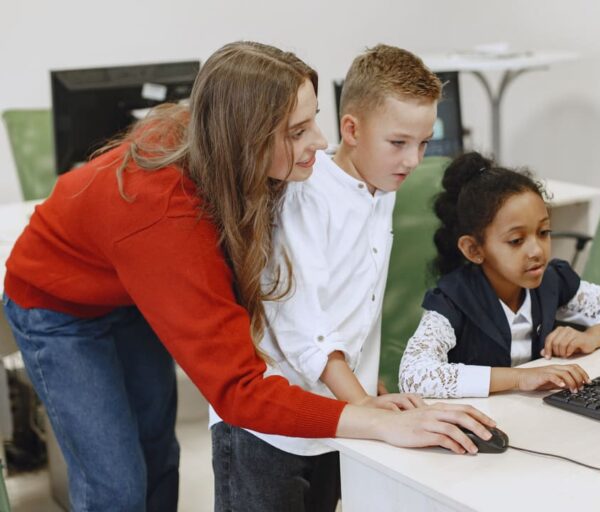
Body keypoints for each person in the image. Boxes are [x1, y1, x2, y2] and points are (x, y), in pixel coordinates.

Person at [1, 42, 495, 512]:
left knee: (157, 456)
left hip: (130, 287)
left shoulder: (220, 141)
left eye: (313, 121)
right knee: (117, 483)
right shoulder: (166, 218)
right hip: (57, 305)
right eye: (297, 132)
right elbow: (238, 390)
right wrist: (372, 420)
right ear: (247, 138)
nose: (320, 143)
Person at [209, 43, 442, 512]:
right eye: (399, 143)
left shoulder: (381, 187)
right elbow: (302, 322)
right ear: (351, 129)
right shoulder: (303, 192)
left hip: (332, 417)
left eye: (424, 143)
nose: (413, 160)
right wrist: (361, 407)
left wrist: (365, 382)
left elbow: (358, 300)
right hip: (268, 430)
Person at [398, 152, 600, 398]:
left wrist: (592, 336)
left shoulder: (552, 281)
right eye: (516, 240)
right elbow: (413, 375)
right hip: (479, 422)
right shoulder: (453, 300)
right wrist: (520, 378)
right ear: (474, 249)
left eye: (543, 232)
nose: (536, 251)